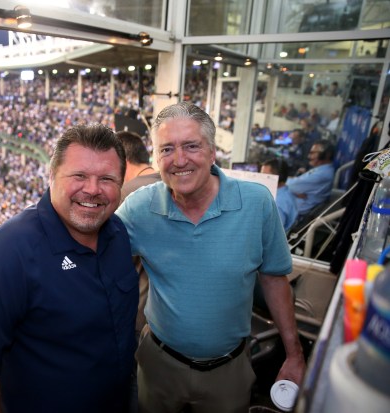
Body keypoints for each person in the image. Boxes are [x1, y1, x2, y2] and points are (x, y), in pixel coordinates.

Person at [0, 124, 139, 413]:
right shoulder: (8, 250)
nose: (92, 189)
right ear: (52, 176)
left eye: (106, 178)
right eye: (79, 175)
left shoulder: (117, 233)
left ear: (121, 183)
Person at [116, 102, 305, 413]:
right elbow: (95, 257)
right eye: (166, 149)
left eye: (191, 146)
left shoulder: (256, 204)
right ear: (156, 157)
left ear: (213, 151)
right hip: (158, 366)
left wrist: (294, 354)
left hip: (229, 372)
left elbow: (274, 278)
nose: (179, 160)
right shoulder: (138, 209)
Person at [116, 130, 161, 413]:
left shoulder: (129, 195)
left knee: (132, 388)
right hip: (163, 322)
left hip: (137, 315)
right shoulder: (168, 186)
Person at [286, 139, 336, 218]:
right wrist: (294, 190)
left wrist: (291, 188)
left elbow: (290, 185)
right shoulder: (321, 169)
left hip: (294, 212)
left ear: (327, 155)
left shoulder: (322, 175)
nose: (309, 156)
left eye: (313, 153)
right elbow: (292, 184)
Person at [261, 158, 299, 233]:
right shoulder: (284, 191)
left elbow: (269, 234)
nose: (260, 178)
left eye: (265, 176)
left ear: (278, 177)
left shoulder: (278, 203)